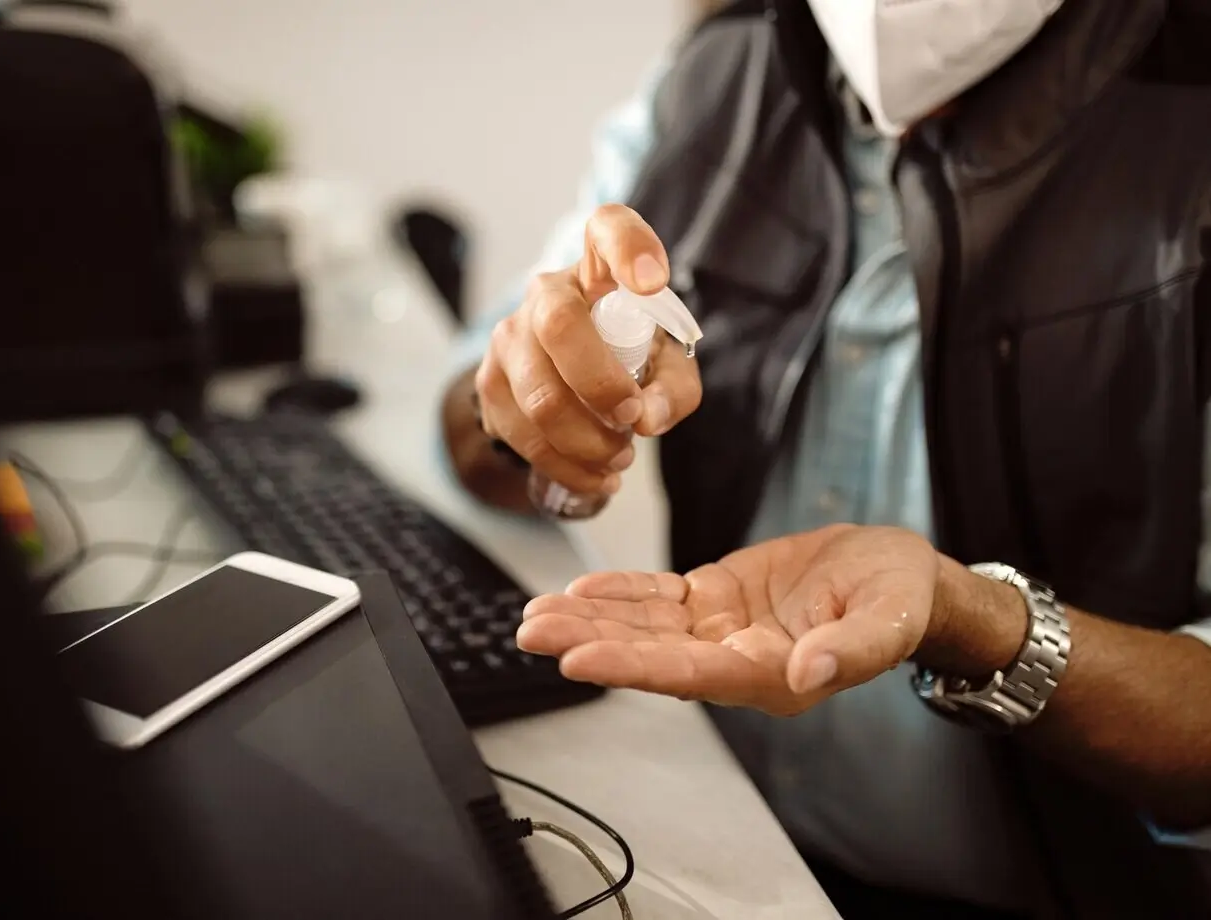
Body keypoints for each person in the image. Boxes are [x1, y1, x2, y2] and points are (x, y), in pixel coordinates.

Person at [439, 2, 1211, 918]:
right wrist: (527, 404)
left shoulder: (1182, 126)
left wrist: (976, 620)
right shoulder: (718, 78)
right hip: (721, 847)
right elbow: (476, 412)